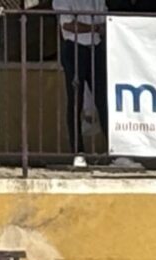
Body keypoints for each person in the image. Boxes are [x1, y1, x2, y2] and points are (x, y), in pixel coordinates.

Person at [53, 0, 109, 166]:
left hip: (96, 47)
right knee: (75, 101)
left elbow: (105, 19)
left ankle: (114, 150)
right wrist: (95, 28)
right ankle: (78, 152)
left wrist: (97, 28)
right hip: (74, 48)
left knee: (103, 99)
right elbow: (68, 25)